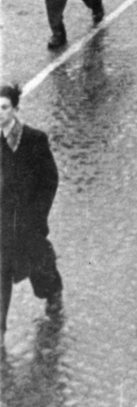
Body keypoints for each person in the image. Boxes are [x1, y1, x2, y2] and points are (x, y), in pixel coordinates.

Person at [0, 82, 63, 336]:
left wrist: (38, 216)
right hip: (3, 223)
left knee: (39, 265)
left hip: (29, 221)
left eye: (4, 108)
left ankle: (53, 292)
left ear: (15, 109)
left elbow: (50, 180)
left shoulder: (34, 140)